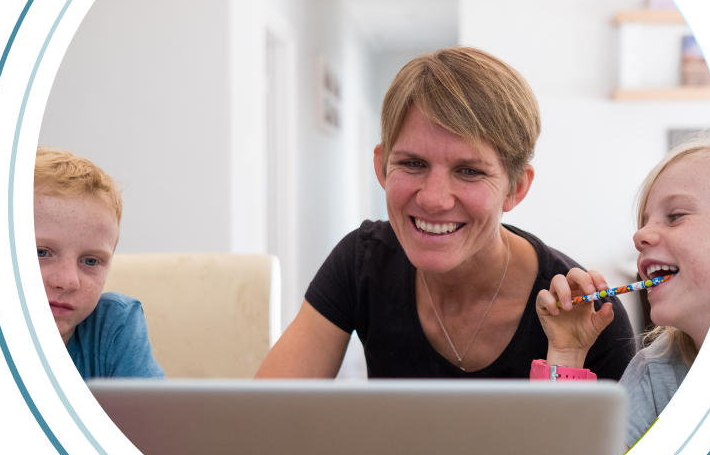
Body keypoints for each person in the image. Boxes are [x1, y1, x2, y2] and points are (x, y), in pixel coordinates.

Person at [256, 47, 634, 379]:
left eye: (469, 171)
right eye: (413, 163)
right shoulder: (362, 262)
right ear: (381, 167)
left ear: (515, 188)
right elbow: (262, 421)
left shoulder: (587, 315)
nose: (434, 199)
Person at [534, 136, 710, 446]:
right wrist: (567, 354)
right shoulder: (654, 374)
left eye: (675, 216)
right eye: (643, 221)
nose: (639, 235)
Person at [33, 147, 165, 380]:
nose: (67, 281)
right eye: (41, 252)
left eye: (91, 261)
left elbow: (159, 416)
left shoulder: (113, 325)